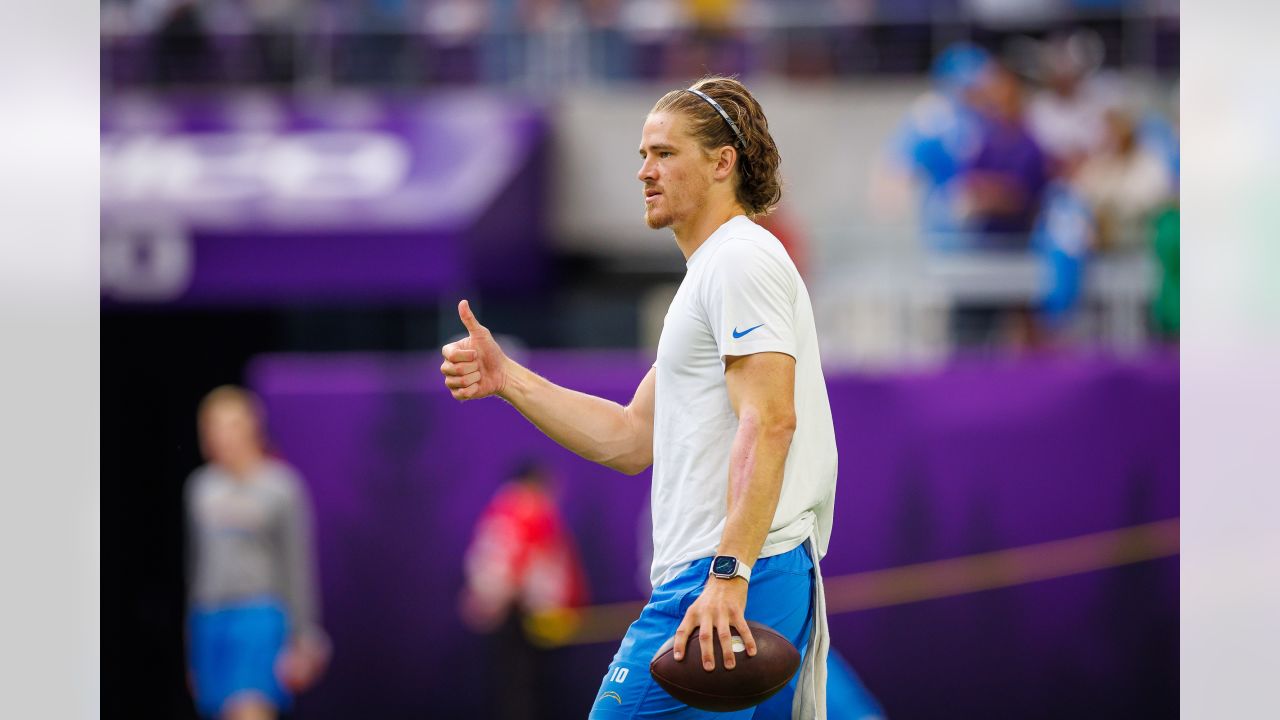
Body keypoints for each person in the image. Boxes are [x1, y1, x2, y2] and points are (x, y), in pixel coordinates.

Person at [441, 76, 843, 718]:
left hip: (736, 575)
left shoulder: (739, 259)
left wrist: (728, 575)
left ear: (721, 162)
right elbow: (630, 439)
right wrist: (508, 378)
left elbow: (770, 421)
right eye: (641, 155)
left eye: (663, 153)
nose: (644, 171)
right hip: (736, 574)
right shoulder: (711, 273)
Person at [185, 386, 330, 720]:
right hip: (210, 618)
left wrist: (302, 635)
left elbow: (296, 563)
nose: (223, 435)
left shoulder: (281, 486)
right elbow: (196, 567)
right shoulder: (200, 488)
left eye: (232, 424)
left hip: (259, 619)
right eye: (214, 426)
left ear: (252, 426)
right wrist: (192, 646)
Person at [459, 460, 591, 720]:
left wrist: (482, 597)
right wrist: (566, 604)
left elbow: (483, 560)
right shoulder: (531, 509)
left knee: (510, 689)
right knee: (531, 692)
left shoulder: (499, 510)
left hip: (506, 611)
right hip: (528, 614)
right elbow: (537, 565)